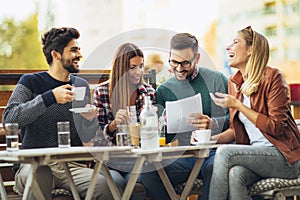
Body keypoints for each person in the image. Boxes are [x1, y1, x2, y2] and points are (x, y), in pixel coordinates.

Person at [2, 27, 122, 199]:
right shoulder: (31, 82)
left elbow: (87, 136)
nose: (79, 54)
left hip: (71, 166)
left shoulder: (80, 85)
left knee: (105, 187)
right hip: (35, 165)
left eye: (79, 49)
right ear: (56, 55)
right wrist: (49, 97)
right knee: (40, 176)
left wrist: (89, 120)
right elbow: (9, 119)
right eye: (73, 50)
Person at [209, 26, 300, 200]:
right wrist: (209, 139)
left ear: (251, 50)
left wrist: (239, 105)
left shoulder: (273, 77)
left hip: (284, 158)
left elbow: (276, 127)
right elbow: (236, 130)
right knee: (236, 174)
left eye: (235, 42)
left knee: (224, 153)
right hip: (256, 156)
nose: (228, 47)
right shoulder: (235, 83)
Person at [140, 33, 229, 200]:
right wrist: (163, 127)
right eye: (174, 62)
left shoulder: (216, 79)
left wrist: (213, 123)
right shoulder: (164, 91)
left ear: (197, 58)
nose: (179, 68)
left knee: (214, 168)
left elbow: (237, 120)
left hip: (214, 152)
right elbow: (162, 137)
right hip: (184, 155)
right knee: (148, 173)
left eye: (185, 63)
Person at [94, 42, 156, 199]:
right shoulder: (102, 92)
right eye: (132, 67)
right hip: (109, 162)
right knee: (116, 183)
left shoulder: (147, 92)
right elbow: (96, 140)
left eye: (141, 66)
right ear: (121, 68)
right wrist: (113, 125)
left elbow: (153, 134)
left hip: (136, 162)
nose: (139, 71)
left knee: (137, 186)